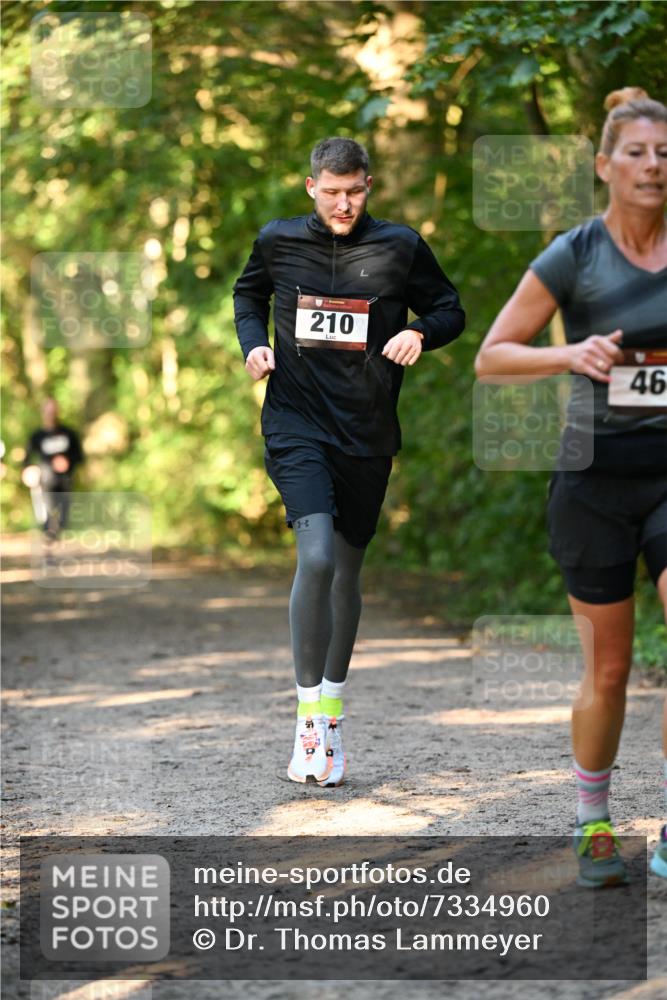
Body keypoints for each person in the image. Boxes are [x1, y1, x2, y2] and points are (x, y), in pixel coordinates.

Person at [474, 88, 667, 885]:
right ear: (603, 165)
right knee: (609, 669)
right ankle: (593, 823)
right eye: (636, 153)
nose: (653, 166)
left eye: (664, 155)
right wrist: (570, 353)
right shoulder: (574, 253)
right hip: (591, 481)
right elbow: (492, 354)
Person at [234, 137, 465, 785]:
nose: (343, 203)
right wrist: (253, 346)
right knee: (317, 557)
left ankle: (331, 717)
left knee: (346, 574)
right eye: (331, 191)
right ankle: (307, 722)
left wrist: (419, 331)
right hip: (295, 423)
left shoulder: (399, 246)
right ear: (309, 185)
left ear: (370, 185)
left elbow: (450, 308)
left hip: (365, 434)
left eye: (355, 191)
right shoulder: (278, 240)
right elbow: (246, 296)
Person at [22, 398, 84, 542]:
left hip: (65, 481)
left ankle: (59, 531)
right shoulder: (36, 437)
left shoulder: (69, 434)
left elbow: (79, 456)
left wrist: (68, 462)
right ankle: (48, 531)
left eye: (53, 411)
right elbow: (27, 459)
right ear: (43, 413)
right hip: (45, 482)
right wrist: (29, 470)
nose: (51, 414)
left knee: (64, 513)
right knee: (47, 507)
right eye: (48, 411)